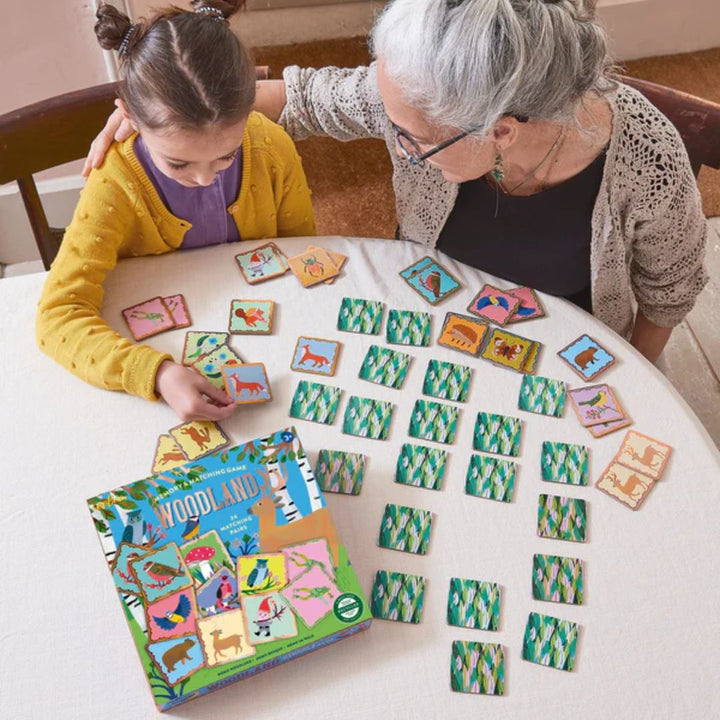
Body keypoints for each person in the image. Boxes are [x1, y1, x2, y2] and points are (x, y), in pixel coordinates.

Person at [85, 0, 708, 364]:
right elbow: (304, 99)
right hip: (434, 316)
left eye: (410, 137)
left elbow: (669, 292)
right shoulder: (413, 101)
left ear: (500, 132)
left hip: (566, 343)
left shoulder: (645, 160)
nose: (397, 143)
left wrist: (639, 374)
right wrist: (162, 113)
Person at [37, 0, 315, 421]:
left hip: (265, 346)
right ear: (127, 116)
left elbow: (303, 258)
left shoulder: (272, 147)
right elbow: (57, 316)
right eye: (179, 163)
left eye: (226, 155)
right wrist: (158, 374)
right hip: (155, 358)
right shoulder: (115, 183)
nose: (205, 178)